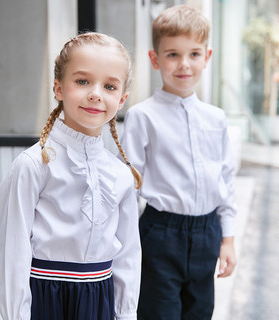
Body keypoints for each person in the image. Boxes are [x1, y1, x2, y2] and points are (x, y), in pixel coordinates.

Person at [0, 32, 142, 320]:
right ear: (58, 87)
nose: (96, 93)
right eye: (82, 81)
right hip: (45, 297)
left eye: (109, 86)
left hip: (99, 296)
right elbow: (13, 250)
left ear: (122, 98)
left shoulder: (120, 174)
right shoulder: (33, 164)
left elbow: (128, 254)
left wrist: (126, 313)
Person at [121, 5, 237, 320]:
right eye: (172, 54)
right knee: (159, 314)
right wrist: (124, 246)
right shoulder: (142, 116)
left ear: (207, 56)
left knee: (200, 313)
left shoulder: (217, 118)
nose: (184, 64)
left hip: (207, 233)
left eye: (194, 54)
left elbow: (225, 182)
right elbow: (128, 187)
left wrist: (227, 240)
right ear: (155, 59)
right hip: (161, 233)